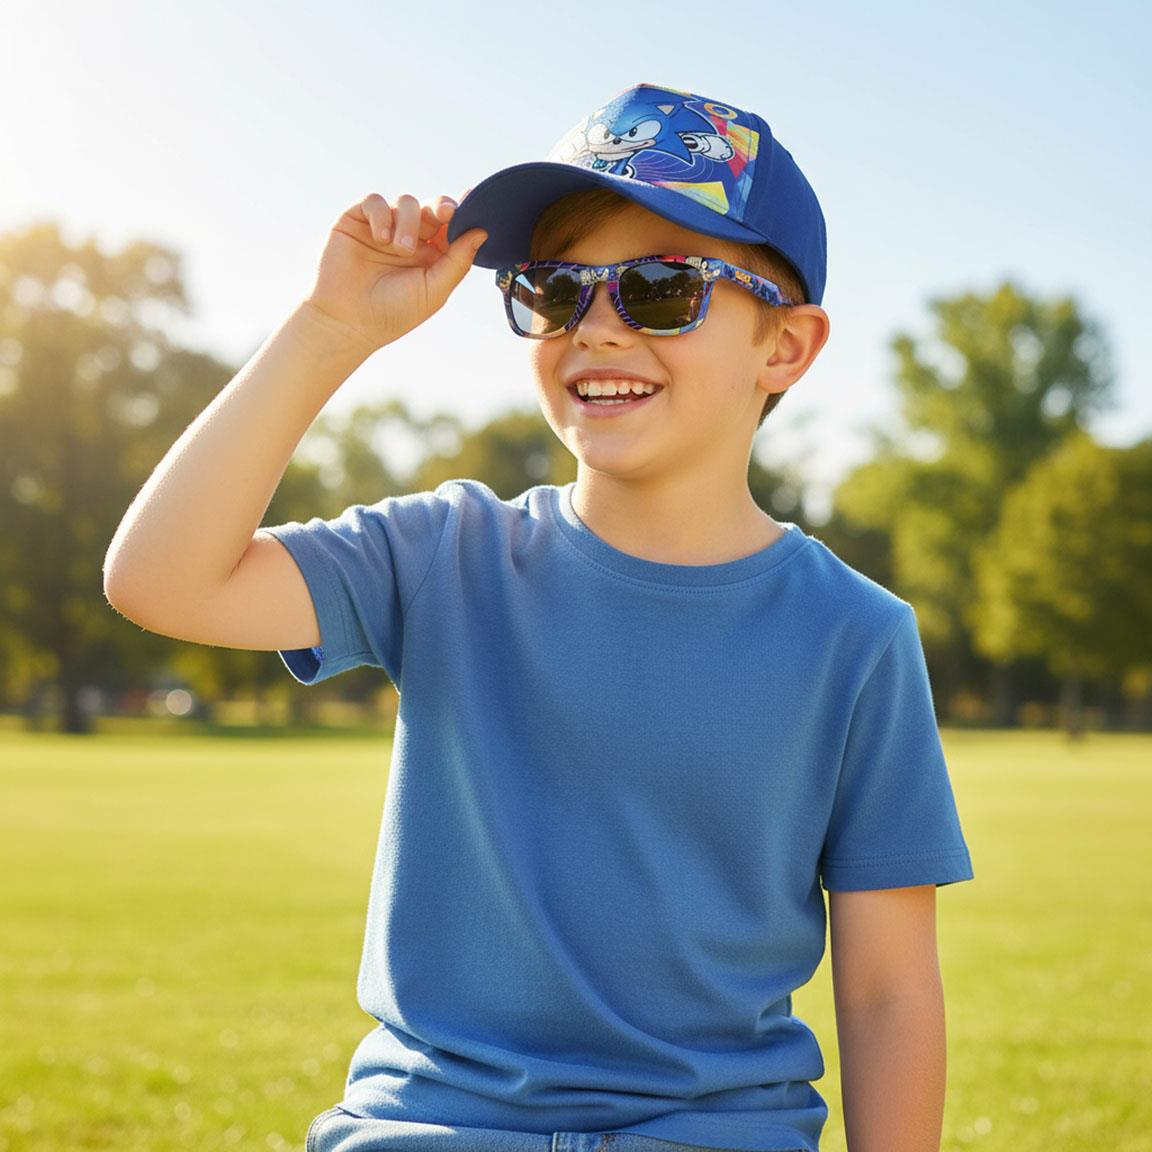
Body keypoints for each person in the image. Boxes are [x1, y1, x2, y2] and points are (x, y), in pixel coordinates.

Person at [104, 83, 974, 1152]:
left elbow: (889, 993)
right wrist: (330, 332)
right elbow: (161, 579)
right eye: (555, 291)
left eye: (663, 288)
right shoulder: (444, 555)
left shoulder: (856, 637)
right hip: (432, 1130)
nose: (597, 328)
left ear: (785, 349)